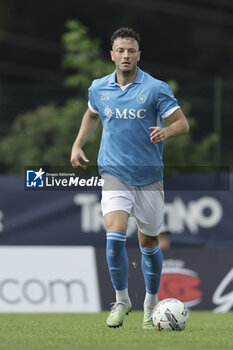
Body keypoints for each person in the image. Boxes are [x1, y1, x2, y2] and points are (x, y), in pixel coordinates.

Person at [70, 27, 189, 329]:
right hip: (113, 172)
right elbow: (91, 114)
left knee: (148, 243)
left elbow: (182, 123)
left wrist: (166, 130)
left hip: (148, 177)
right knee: (114, 237)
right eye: (120, 50)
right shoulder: (99, 87)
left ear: (138, 54)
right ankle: (122, 300)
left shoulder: (155, 88)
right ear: (112, 54)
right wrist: (78, 143)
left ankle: (150, 303)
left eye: (131, 50)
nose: (125, 55)